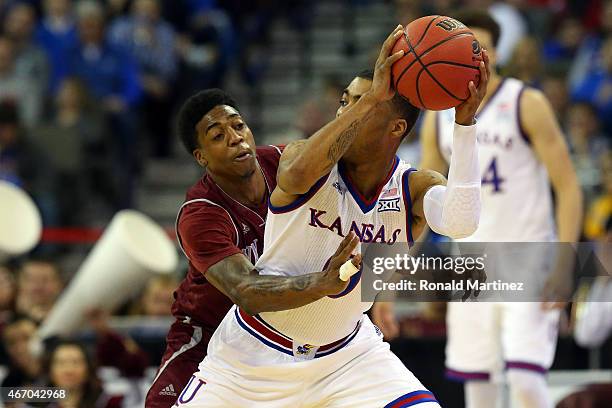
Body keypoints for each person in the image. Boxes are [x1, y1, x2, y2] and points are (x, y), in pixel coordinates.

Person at [176, 24, 489, 407]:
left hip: (348, 358)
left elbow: (462, 222)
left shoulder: (413, 186)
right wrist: (319, 284)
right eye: (347, 101)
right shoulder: (301, 161)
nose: (348, 110)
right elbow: (292, 176)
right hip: (253, 360)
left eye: (365, 103)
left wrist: (465, 125)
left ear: (397, 127)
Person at [419, 10, 583, 408]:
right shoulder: (437, 116)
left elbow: (568, 187)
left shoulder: (526, 102)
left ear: (495, 52)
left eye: (483, 50)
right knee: (478, 387)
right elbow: (420, 200)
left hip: (528, 258)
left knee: (526, 380)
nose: (475, 60)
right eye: (465, 51)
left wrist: (565, 264)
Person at [143, 88, 283, 407]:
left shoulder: (283, 163)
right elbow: (250, 294)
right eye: (218, 135)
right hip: (207, 334)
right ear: (201, 157)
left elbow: (368, 185)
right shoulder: (200, 213)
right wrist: (325, 284)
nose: (236, 138)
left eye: (238, 125)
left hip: (277, 338)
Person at [40, 340, 123, 408]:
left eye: (76, 362)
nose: (69, 370)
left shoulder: (107, 402)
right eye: (61, 363)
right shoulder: (37, 402)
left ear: (88, 369)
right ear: (50, 371)